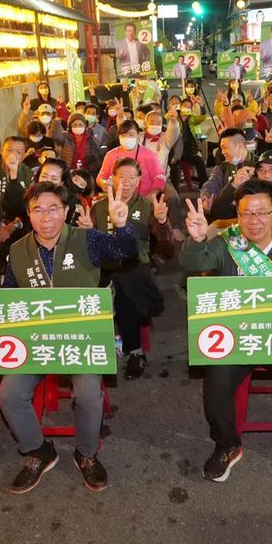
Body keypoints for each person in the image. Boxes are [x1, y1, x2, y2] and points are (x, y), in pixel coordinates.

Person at [0, 182, 141, 493]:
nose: (45, 217)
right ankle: (38, 451)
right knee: (9, 393)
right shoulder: (17, 251)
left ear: (66, 211)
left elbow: (126, 250)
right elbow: (7, 298)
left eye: (53, 209)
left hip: (80, 341)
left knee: (88, 393)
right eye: (37, 210)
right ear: (28, 215)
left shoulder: (87, 239)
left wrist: (122, 224)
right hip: (36, 341)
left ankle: (86, 454)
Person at [181, 181, 272, 483]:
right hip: (237, 339)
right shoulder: (227, 242)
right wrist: (196, 239)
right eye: (245, 213)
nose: (253, 220)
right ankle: (227, 445)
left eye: (261, 212)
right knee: (216, 385)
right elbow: (193, 262)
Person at [91, 159, 172, 379]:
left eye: (131, 178)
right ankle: (94, 349)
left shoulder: (148, 206)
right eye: (121, 177)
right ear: (112, 179)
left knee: (125, 292)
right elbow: (87, 244)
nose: (126, 182)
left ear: (139, 181)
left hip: (135, 264)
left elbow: (167, 249)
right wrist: (87, 231)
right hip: (104, 265)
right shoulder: (99, 207)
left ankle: (134, 351)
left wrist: (162, 222)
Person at [208, 150, 272, 242]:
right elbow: (218, 213)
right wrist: (234, 185)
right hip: (251, 254)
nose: (266, 174)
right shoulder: (247, 198)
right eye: (261, 170)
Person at [96, 119, 167, 196]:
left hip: (143, 198)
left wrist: (151, 195)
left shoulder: (150, 155)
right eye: (123, 135)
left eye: (131, 135)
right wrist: (103, 183)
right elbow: (101, 176)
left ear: (138, 135)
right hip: (117, 198)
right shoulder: (111, 155)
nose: (127, 138)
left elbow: (160, 177)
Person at [200, 127, 256, 206]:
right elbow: (210, 184)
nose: (222, 152)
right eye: (221, 149)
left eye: (225, 148)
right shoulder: (223, 168)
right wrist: (206, 198)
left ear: (239, 146)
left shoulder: (259, 165)